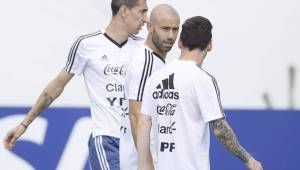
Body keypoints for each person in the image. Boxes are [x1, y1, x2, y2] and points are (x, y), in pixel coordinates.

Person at [3, 0, 148, 169]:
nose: (146, 19)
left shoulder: (143, 48)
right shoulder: (87, 44)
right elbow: (55, 88)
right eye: (142, 11)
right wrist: (24, 124)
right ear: (124, 11)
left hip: (136, 141)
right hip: (106, 138)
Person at [137, 16, 263, 170]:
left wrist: (144, 166)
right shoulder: (203, 80)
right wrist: (248, 159)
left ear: (180, 42)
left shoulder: (154, 79)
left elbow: (143, 123)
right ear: (209, 45)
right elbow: (219, 128)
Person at [120, 4, 180, 170]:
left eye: (175, 29)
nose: (170, 36)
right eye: (165, 29)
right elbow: (135, 115)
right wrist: (146, 164)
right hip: (142, 163)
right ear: (149, 27)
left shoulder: (157, 62)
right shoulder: (146, 62)